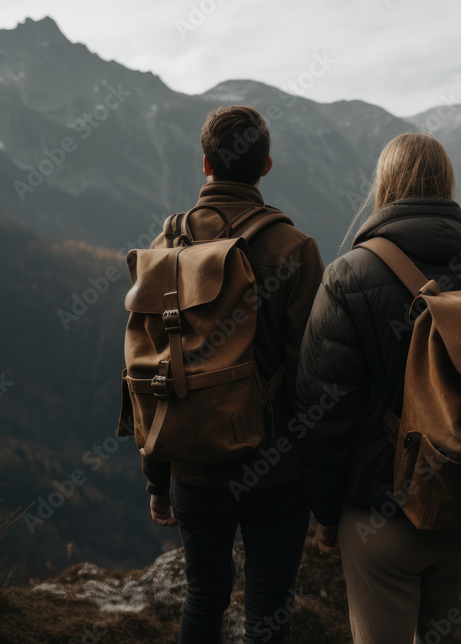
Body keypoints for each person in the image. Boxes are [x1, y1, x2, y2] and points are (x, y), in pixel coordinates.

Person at [295, 132, 461, 644]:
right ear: (447, 185)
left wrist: (326, 516)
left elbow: (321, 415)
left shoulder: (348, 276)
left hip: (379, 518)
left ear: (385, 186)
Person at [143, 105, 324, 643]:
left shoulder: (164, 249)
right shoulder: (294, 249)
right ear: (266, 166)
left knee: (203, 598)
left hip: (192, 462)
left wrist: (158, 480)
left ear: (205, 165)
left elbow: (149, 371)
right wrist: (322, 484)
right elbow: (310, 379)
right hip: (274, 470)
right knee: (268, 609)